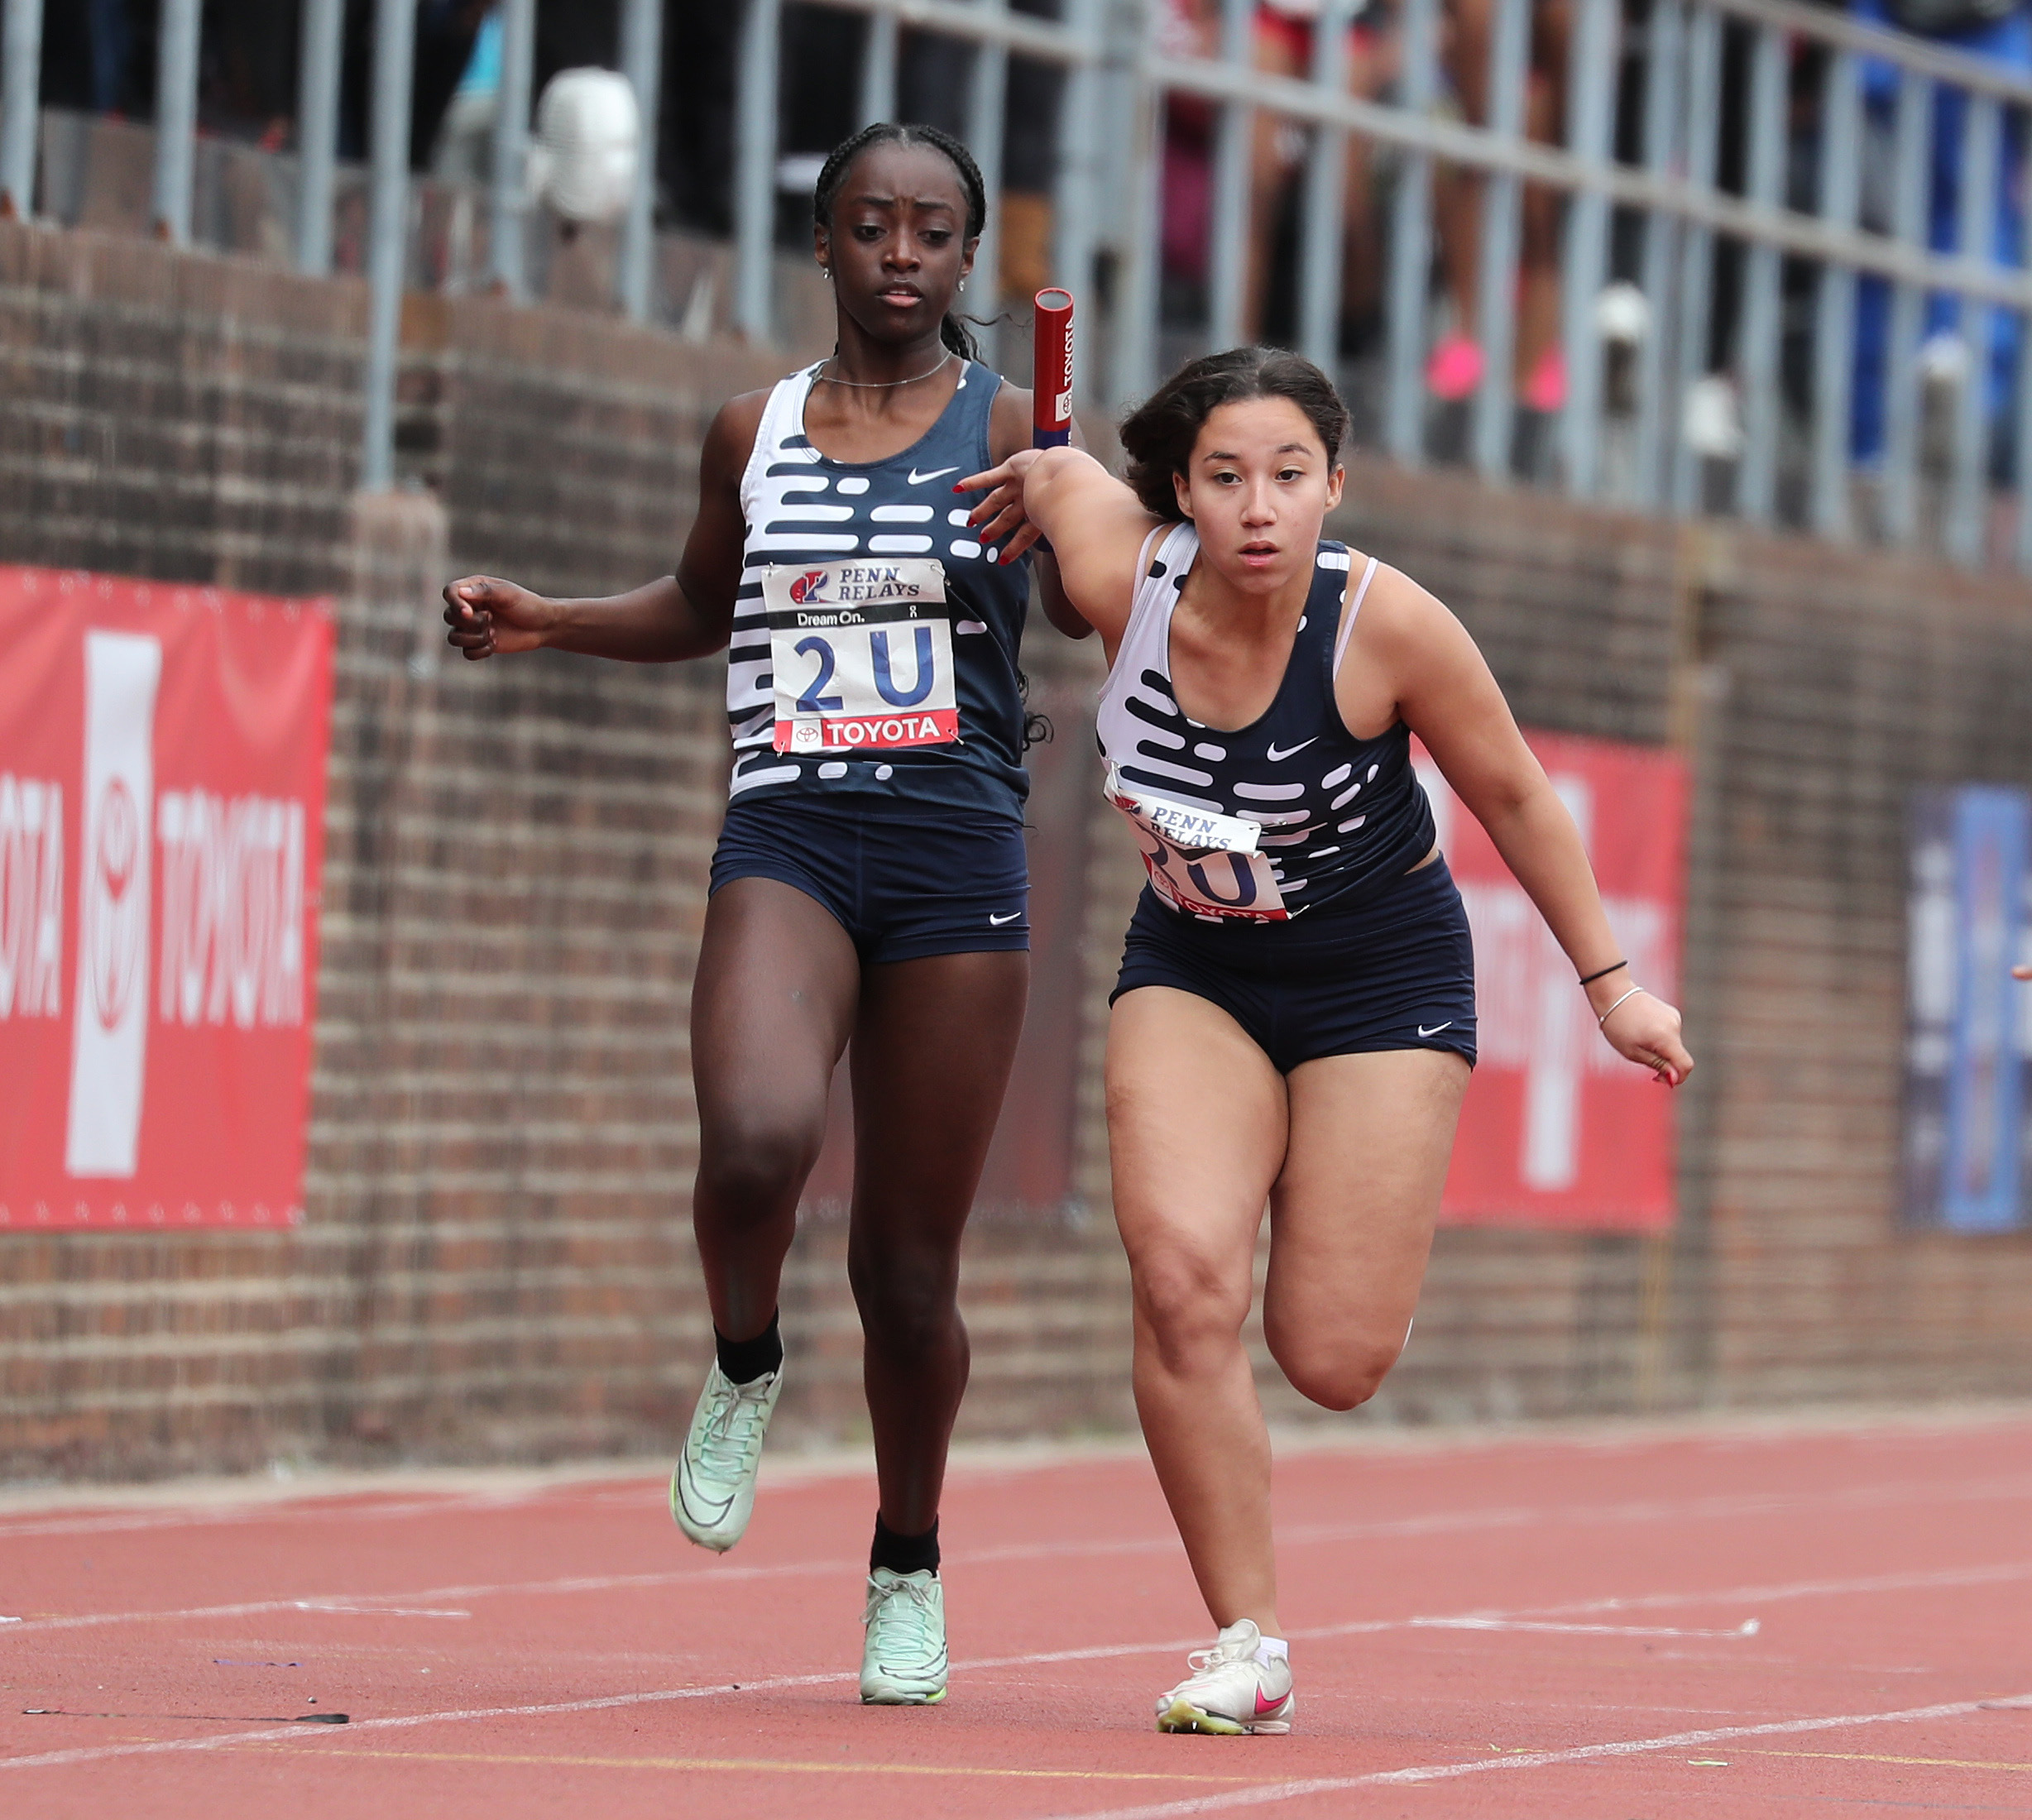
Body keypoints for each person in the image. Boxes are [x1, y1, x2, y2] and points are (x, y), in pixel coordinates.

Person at [442, 121, 1083, 1708]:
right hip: (791, 837)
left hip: (956, 863)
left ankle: (907, 1563)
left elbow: (1089, 608)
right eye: (871, 225)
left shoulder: (1014, 427)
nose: (901, 256)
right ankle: (742, 1362)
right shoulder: (753, 429)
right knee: (750, 1143)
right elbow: (704, 603)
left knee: (906, 1269)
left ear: (968, 259)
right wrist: (552, 622)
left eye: (935, 232)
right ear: (824, 245)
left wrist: (1075, 492)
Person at [959, 345, 1692, 1733]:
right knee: (1181, 1279)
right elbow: (1044, 475)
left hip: (1379, 978)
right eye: (1225, 477)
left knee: (1332, 1360)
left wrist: (1612, 988)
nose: (1257, 507)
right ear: (1179, 491)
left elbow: (1522, 800)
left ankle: (1348, 1208)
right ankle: (1248, 1639)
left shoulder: (1389, 629)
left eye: (1290, 478)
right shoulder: (1125, 569)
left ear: (1333, 489)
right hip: (1194, 966)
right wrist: (1036, 474)